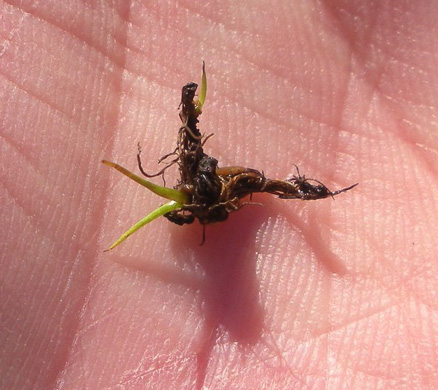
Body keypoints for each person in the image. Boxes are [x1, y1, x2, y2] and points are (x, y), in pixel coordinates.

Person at [1, 2, 437, 388]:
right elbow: (221, 186)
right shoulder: (205, 201)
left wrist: (208, 158)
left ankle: (280, 181)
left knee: (255, 179)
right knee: (251, 177)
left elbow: (229, 182)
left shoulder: (211, 195)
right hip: (212, 201)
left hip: (216, 199)